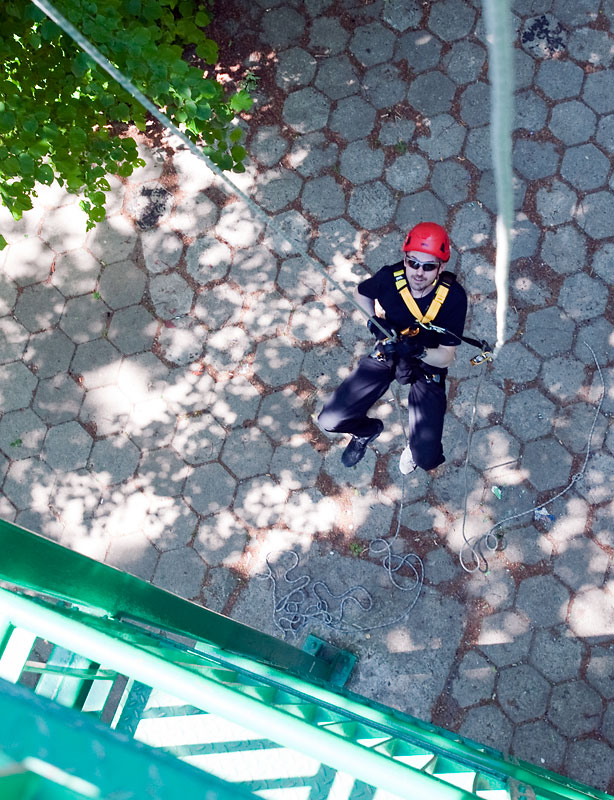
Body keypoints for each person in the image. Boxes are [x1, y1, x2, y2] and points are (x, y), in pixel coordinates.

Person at [318, 222, 467, 474]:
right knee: (330, 420)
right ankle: (365, 431)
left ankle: (415, 448)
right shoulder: (390, 278)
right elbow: (361, 293)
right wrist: (374, 324)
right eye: (413, 262)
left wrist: (419, 352)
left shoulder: (453, 298)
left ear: (441, 268)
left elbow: (446, 357)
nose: (418, 272)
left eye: (428, 266)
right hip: (390, 349)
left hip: (427, 363)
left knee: (427, 458)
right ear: (405, 259)